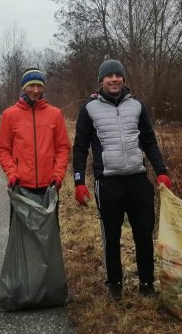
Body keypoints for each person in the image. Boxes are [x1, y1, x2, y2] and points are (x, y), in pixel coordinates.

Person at [72, 59, 172, 300]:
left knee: (144, 233)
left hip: (138, 179)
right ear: (101, 80)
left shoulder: (137, 106)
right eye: (109, 76)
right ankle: (115, 285)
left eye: (118, 75)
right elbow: (80, 147)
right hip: (107, 183)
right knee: (112, 235)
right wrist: (78, 181)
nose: (114, 79)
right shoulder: (89, 109)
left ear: (124, 80)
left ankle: (147, 285)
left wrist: (161, 171)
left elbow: (149, 141)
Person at [0, 67, 71, 196]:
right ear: (23, 87)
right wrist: (12, 173)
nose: (36, 90)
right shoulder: (9, 115)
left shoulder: (55, 114)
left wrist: (58, 175)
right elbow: (3, 149)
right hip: (20, 185)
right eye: (31, 85)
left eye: (39, 86)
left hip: (49, 186)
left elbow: (63, 148)